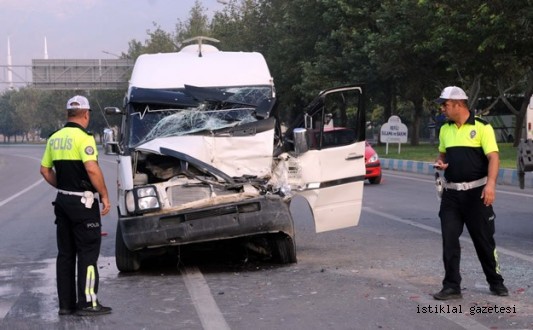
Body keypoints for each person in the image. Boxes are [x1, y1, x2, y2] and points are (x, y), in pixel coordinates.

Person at [432, 86, 508, 300]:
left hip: (477, 194)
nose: (442, 109)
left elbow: (494, 157)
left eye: (445, 104)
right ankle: (451, 286)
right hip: (451, 195)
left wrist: (490, 185)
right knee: (449, 239)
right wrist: (441, 164)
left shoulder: (483, 127)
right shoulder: (445, 129)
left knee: (484, 241)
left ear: (459, 104)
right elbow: (443, 155)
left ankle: (496, 282)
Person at [40, 95, 113, 316]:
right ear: (86, 114)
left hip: (62, 201)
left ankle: (66, 305)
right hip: (84, 203)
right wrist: (104, 195)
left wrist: (63, 187)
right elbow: (92, 168)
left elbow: (45, 170)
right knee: (88, 254)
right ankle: (88, 303)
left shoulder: (54, 138)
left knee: (65, 255)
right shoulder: (84, 138)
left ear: (67, 114)